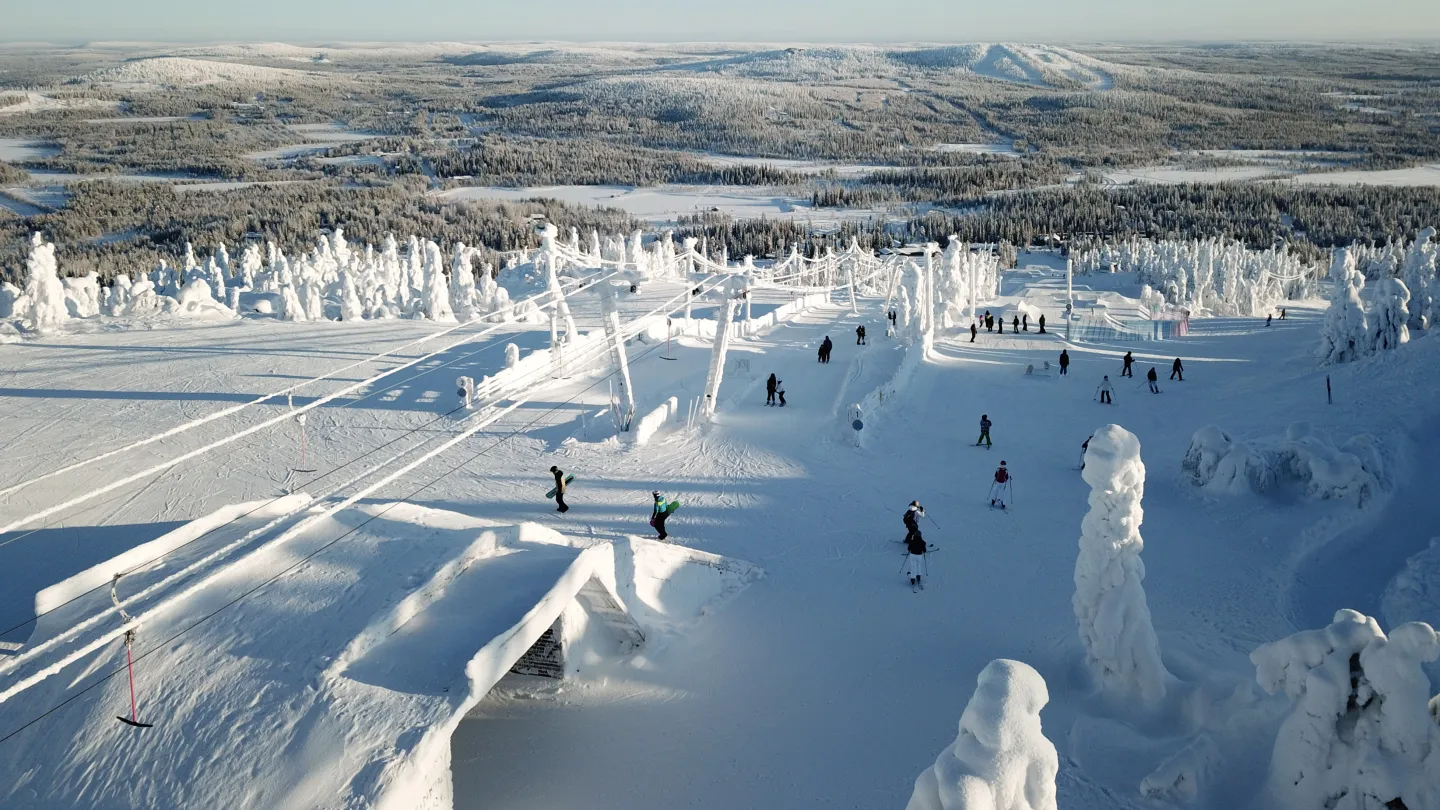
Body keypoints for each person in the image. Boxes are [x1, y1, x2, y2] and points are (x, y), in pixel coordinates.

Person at [903, 502, 927, 589]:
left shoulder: (911, 509)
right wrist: (922, 510)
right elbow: (924, 549)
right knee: (919, 565)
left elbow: (909, 548)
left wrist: (909, 549)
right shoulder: (922, 542)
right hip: (919, 555)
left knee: (913, 566)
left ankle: (912, 578)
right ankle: (918, 576)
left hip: (913, 554)